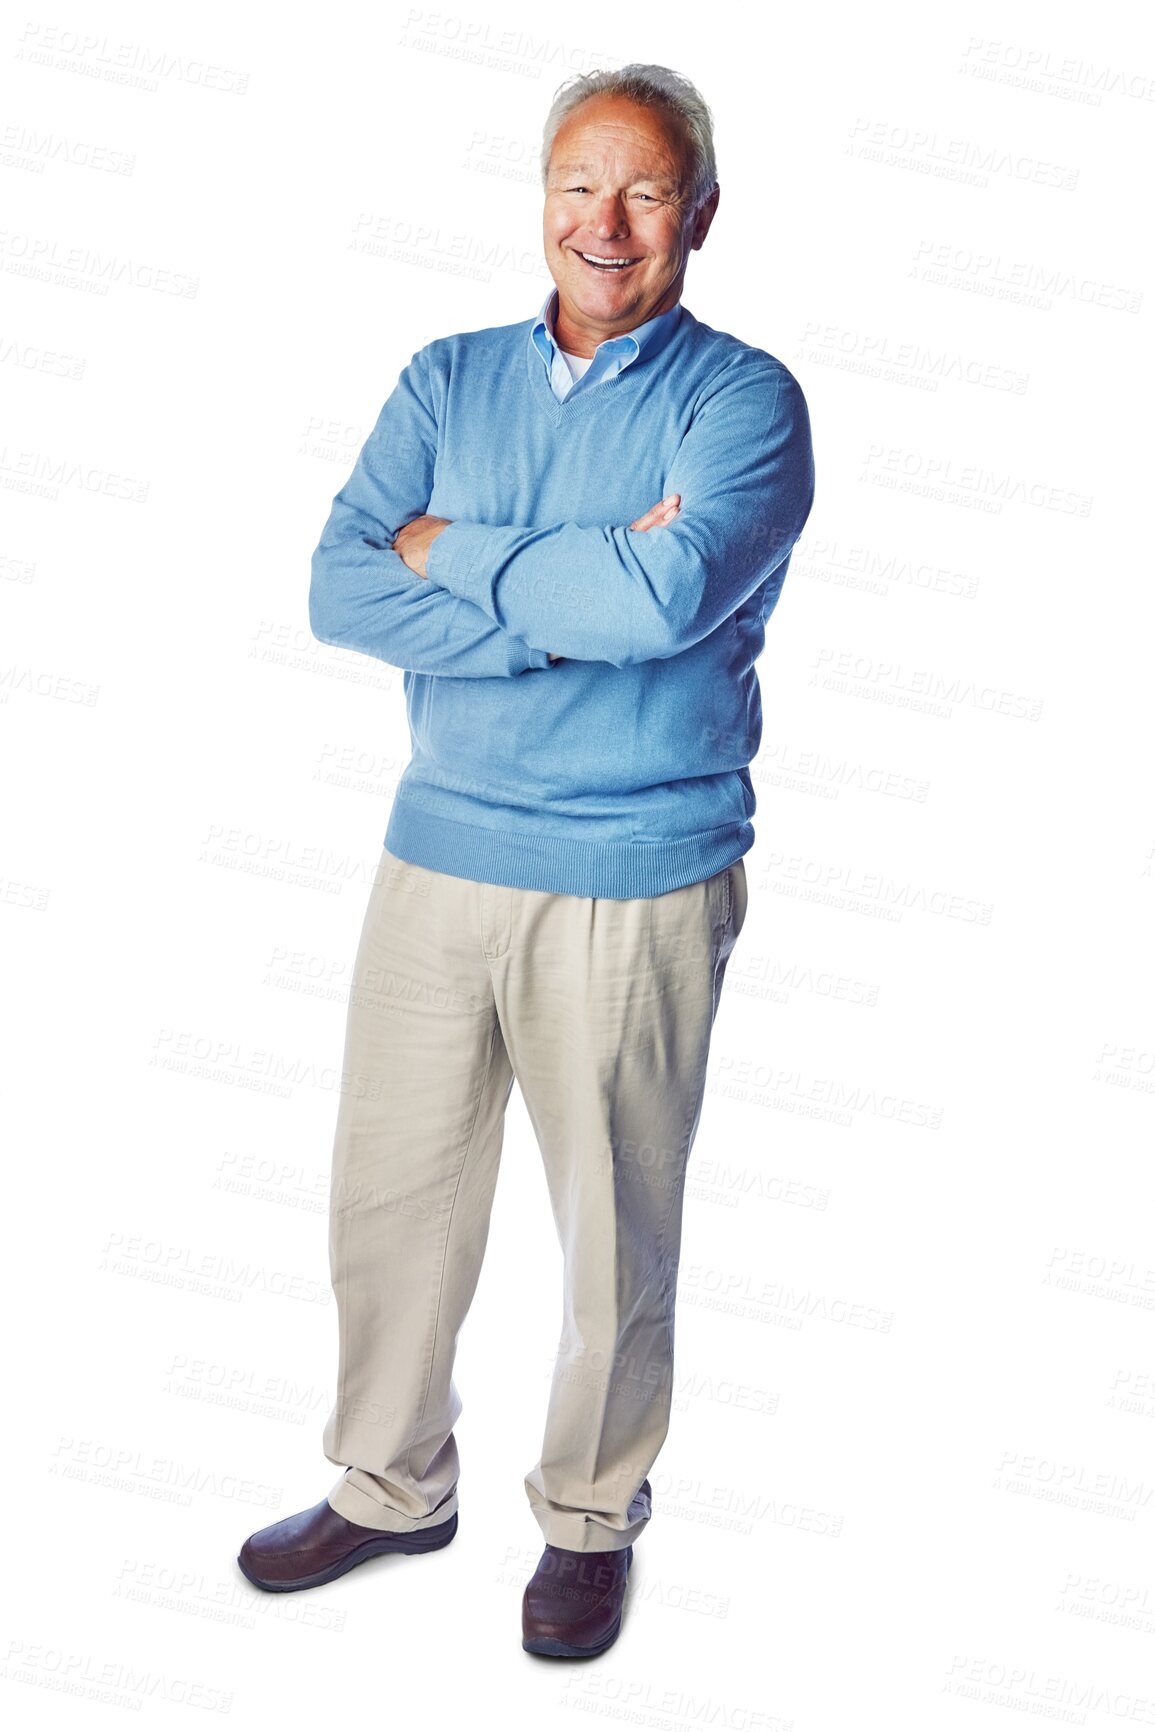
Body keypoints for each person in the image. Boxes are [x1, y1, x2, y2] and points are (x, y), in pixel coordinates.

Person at [237, 61, 815, 1659]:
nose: (605, 223)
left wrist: (464, 562)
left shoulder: (743, 403)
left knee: (614, 1229)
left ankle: (586, 1514)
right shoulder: (447, 377)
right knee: (391, 1200)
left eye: (642, 191)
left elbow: (662, 605)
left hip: (638, 866)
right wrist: (570, 600)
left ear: (698, 212)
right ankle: (390, 1480)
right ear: (540, 199)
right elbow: (344, 590)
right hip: (438, 854)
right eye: (578, 185)